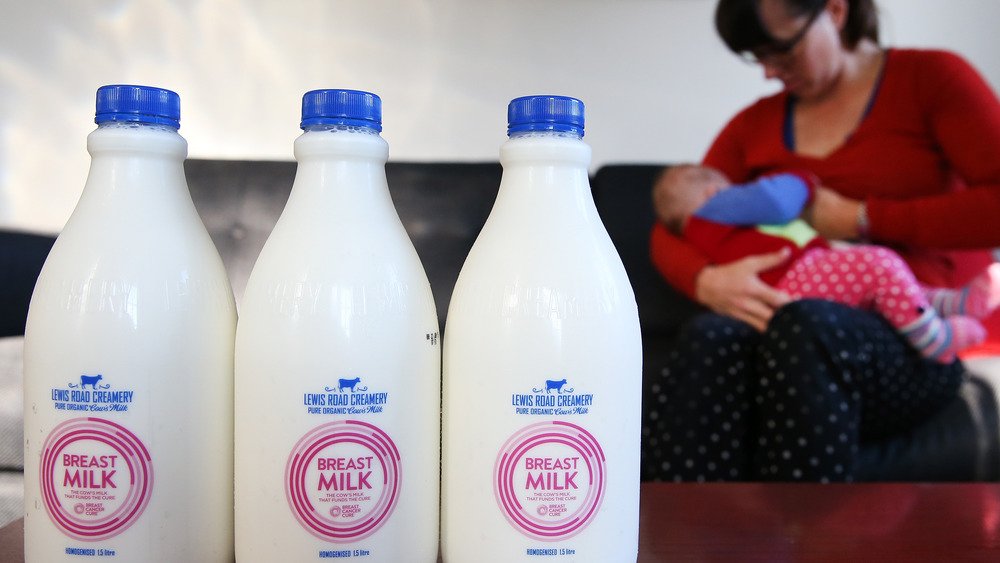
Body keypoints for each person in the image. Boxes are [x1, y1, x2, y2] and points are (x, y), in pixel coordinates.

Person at [644, 0, 1000, 482]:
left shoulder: (931, 78)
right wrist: (705, 280)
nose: (770, 73)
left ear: (834, 11)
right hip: (792, 333)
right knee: (711, 336)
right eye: (757, 58)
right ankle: (678, 544)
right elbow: (675, 226)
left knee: (806, 326)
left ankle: (808, 542)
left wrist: (866, 218)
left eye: (781, 52)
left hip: (915, 334)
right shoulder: (753, 126)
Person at [657, 164, 993, 362]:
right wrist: (804, 179)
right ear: (711, 191)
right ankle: (932, 337)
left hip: (796, 283)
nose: (740, 194)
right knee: (879, 263)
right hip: (795, 278)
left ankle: (949, 302)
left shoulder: (701, 229)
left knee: (881, 283)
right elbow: (776, 201)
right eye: (733, 189)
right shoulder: (713, 207)